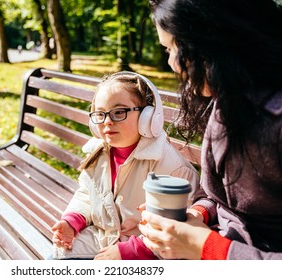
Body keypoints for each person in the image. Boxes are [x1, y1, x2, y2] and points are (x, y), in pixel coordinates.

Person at [139, 0, 282, 260]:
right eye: (166, 49)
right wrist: (197, 214)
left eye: (174, 48)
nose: (172, 63)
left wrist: (208, 248)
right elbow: (218, 196)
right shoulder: (228, 101)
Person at [51, 71, 200, 260]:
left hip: (148, 252)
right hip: (104, 238)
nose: (107, 121)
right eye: (100, 114)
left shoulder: (171, 168)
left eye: (119, 112)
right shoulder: (99, 154)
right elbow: (87, 194)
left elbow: (176, 229)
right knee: (58, 256)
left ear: (148, 117)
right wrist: (72, 222)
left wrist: (131, 251)